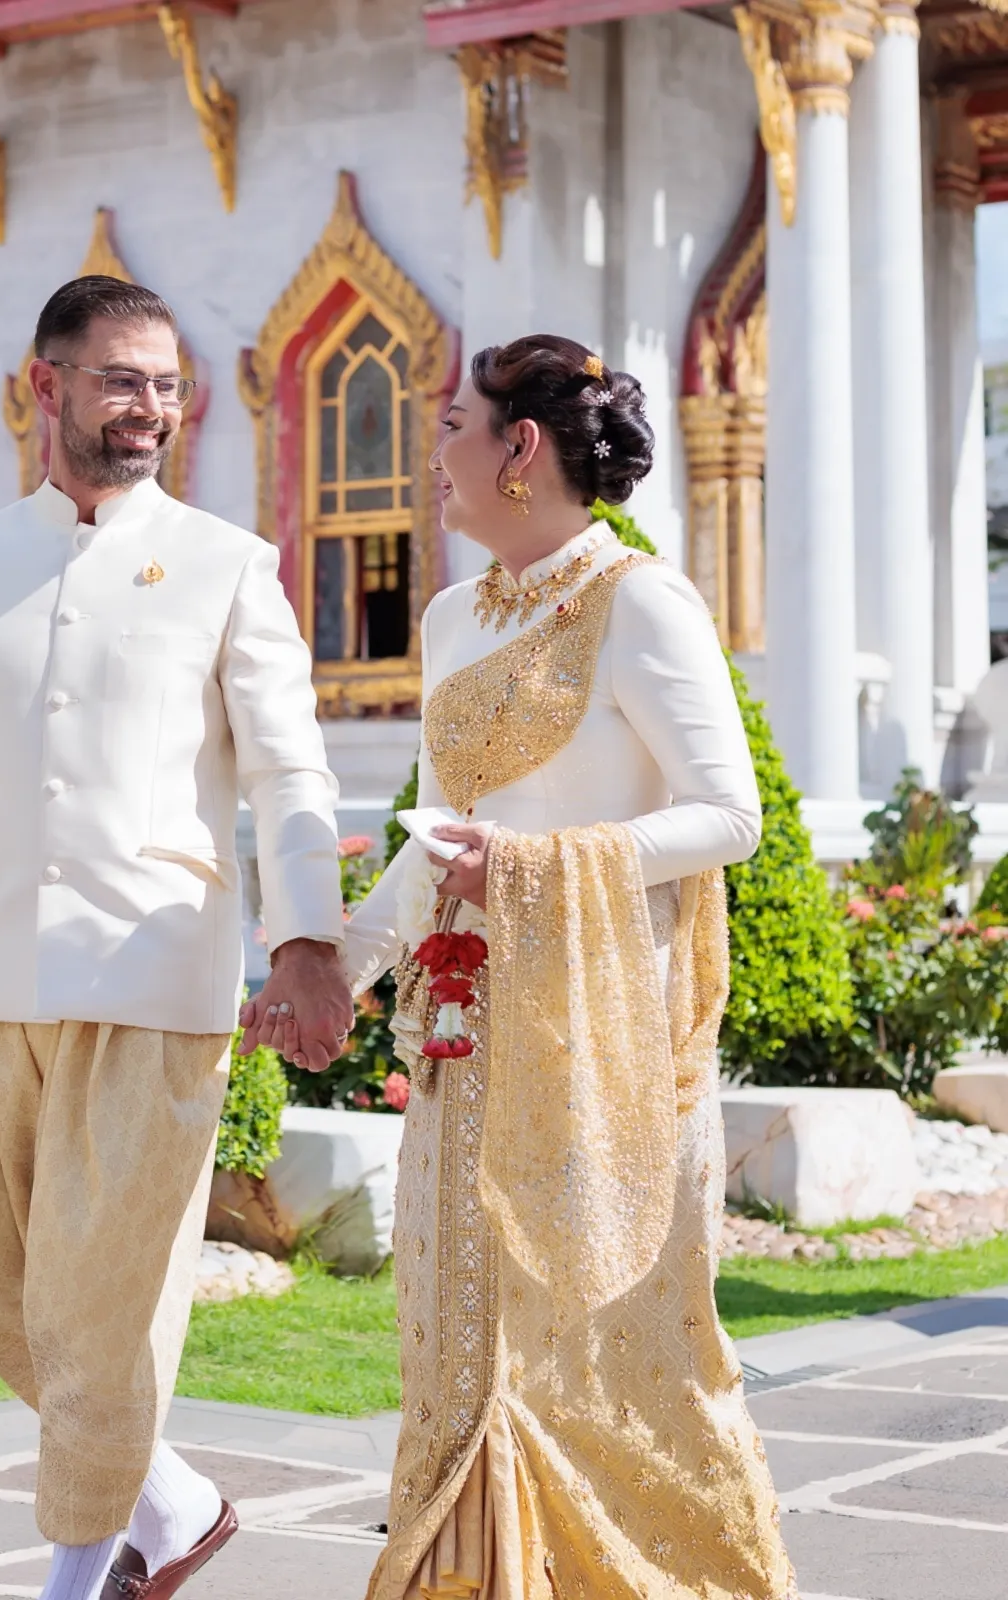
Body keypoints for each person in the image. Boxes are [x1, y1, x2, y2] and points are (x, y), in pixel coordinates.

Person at [0, 275, 354, 1600]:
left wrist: (305, 941)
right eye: (121, 380)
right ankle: (174, 1507)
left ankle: (79, 1579)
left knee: (100, 1306)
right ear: (45, 387)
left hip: (156, 977)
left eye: (167, 384)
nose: (151, 407)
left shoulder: (230, 565)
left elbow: (288, 774)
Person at [343, 335, 797, 1599]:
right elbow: (440, 839)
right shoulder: (448, 619)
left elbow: (729, 814)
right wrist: (339, 962)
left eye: (450, 427)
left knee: (610, 1352)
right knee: (463, 1337)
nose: (433, 457)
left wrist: (539, 869)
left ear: (518, 448)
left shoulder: (640, 601)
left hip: (601, 1038)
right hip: (470, 1033)